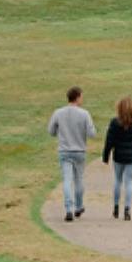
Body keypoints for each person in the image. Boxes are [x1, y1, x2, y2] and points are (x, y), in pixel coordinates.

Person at [47, 85, 97, 222]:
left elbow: (51, 131)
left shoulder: (58, 112)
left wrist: (62, 132)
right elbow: (92, 133)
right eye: (81, 96)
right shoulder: (84, 113)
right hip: (79, 150)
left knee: (67, 180)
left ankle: (68, 208)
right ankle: (79, 206)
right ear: (77, 97)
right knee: (79, 180)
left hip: (64, 150)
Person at [102, 96, 132, 220]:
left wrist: (106, 156)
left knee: (117, 180)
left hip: (118, 156)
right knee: (129, 182)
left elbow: (109, 141)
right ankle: (127, 209)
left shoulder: (114, 122)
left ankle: (116, 207)